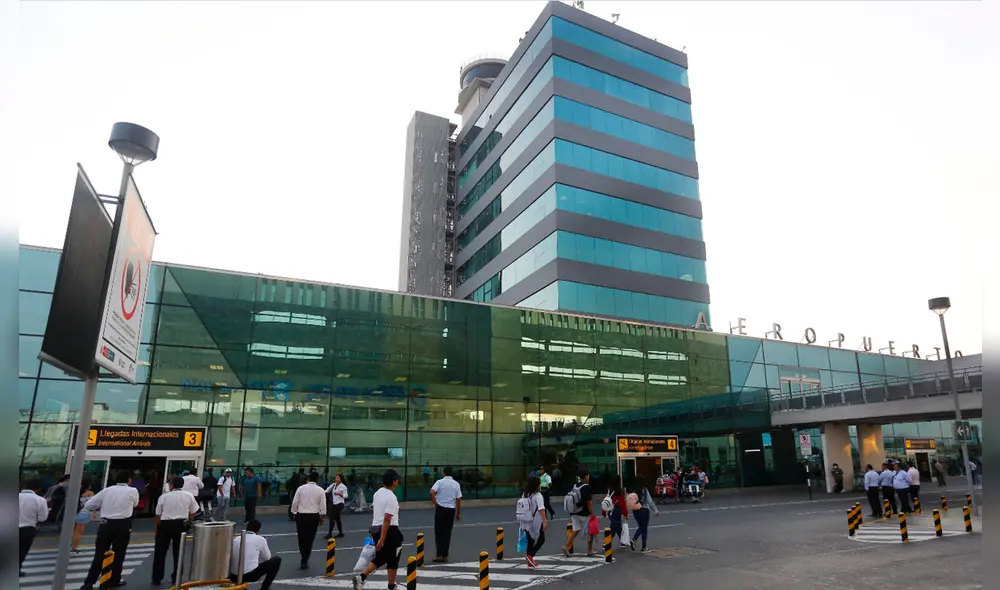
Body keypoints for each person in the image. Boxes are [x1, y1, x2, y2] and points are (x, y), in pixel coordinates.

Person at [79, 470, 140, 590]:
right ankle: (114, 580)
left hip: (105, 524)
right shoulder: (133, 491)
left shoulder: (106, 490)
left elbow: (89, 505)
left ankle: (89, 582)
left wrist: (103, 506)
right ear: (129, 480)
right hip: (123, 524)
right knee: (119, 553)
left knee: (99, 553)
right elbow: (135, 504)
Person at [353, 470, 404, 590]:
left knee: (384, 557)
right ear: (394, 482)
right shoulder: (392, 498)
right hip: (389, 530)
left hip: (376, 528)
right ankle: (362, 577)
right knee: (391, 557)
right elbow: (387, 518)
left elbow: (376, 512)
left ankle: (391, 585)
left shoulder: (378, 493)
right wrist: (382, 538)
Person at [151, 476, 199, 586]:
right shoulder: (188, 495)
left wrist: (156, 531)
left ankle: (157, 577)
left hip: (165, 524)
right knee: (179, 552)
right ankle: (176, 577)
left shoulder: (164, 497)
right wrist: (188, 522)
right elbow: (193, 512)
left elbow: (158, 515)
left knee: (160, 552)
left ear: (172, 485)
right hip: (181, 524)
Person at [230, 519, 282, 589]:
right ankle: (265, 588)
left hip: (233, 575)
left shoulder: (236, 539)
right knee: (276, 560)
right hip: (249, 575)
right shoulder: (260, 539)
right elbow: (267, 558)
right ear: (258, 530)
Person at [291, 470, 327, 570]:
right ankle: (305, 559)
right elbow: (323, 505)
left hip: (301, 515)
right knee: (310, 538)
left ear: (308, 478)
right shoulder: (320, 490)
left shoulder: (300, 488)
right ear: (317, 480)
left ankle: (303, 555)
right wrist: (322, 516)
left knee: (301, 538)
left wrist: (294, 512)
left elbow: (295, 502)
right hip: (313, 516)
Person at [430, 465, 463, 563]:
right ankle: (445, 555)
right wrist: (458, 513)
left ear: (443, 473)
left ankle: (439, 555)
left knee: (439, 532)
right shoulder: (456, 484)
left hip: (441, 508)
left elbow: (432, 492)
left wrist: (435, 503)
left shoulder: (440, 482)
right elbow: (458, 499)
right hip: (451, 510)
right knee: (447, 532)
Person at [563, 470, 596, 557]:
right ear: (585, 477)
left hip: (574, 512)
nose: (589, 477)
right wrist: (592, 513)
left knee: (575, 530)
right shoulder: (586, 487)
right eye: (588, 475)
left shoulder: (575, 486)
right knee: (590, 531)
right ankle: (589, 550)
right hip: (584, 513)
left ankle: (566, 546)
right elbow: (589, 502)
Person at [19, 479, 49, 576]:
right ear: (38, 489)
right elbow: (42, 518)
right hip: (27, 529)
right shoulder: (40, 500)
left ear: (23, 487)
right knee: (22, 551)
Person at [517, 476, 547, 567]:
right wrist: (545, 521)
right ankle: (530, 556)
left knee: (530, 540)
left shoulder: (525, 494)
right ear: (536, 485)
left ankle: (529, 560)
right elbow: (541, 509)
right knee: (541, 539)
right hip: (536, 521)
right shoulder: (538, 495)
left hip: (525, 520)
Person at [629, 477, 659, 552]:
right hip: (644, 510)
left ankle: (634, 540)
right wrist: (655, 510)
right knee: (644, 528)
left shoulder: (633, 491)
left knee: (641, 527)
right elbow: (650, 502)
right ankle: (643, 546)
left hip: (635, 511)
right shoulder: (644, 490)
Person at [604, 474, 629, 546]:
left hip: (610, 510)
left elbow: (606, 501)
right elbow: (622, 503)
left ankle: (623, 542)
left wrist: (604, 511)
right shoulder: (620, 491)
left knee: (617, 526)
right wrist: (625, 513)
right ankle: (606, 543)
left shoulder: (609, 490)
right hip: (617, 511)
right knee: (614, 527)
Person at [71, 482, 96, 554]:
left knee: (75, 532)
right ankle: (74, 549)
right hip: (84, 513)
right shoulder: (90, 493)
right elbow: (93, 503)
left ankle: (73, 546)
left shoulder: (79, 493)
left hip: (78, 513)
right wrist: (94, 512)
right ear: (88, 486)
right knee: (79, 533)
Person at [326, 473, 348, 538]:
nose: (336, 479)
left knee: (332, 518)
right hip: (334, 503)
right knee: (337, 518)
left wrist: (339, 494)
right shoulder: (333, 484)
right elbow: (327, 491)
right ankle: (340, 532)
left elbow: (346, 496)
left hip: (340, 504)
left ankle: (329, 533)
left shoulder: (343, 486)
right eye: (336, 477)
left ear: (341, 479)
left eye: (338, 478)